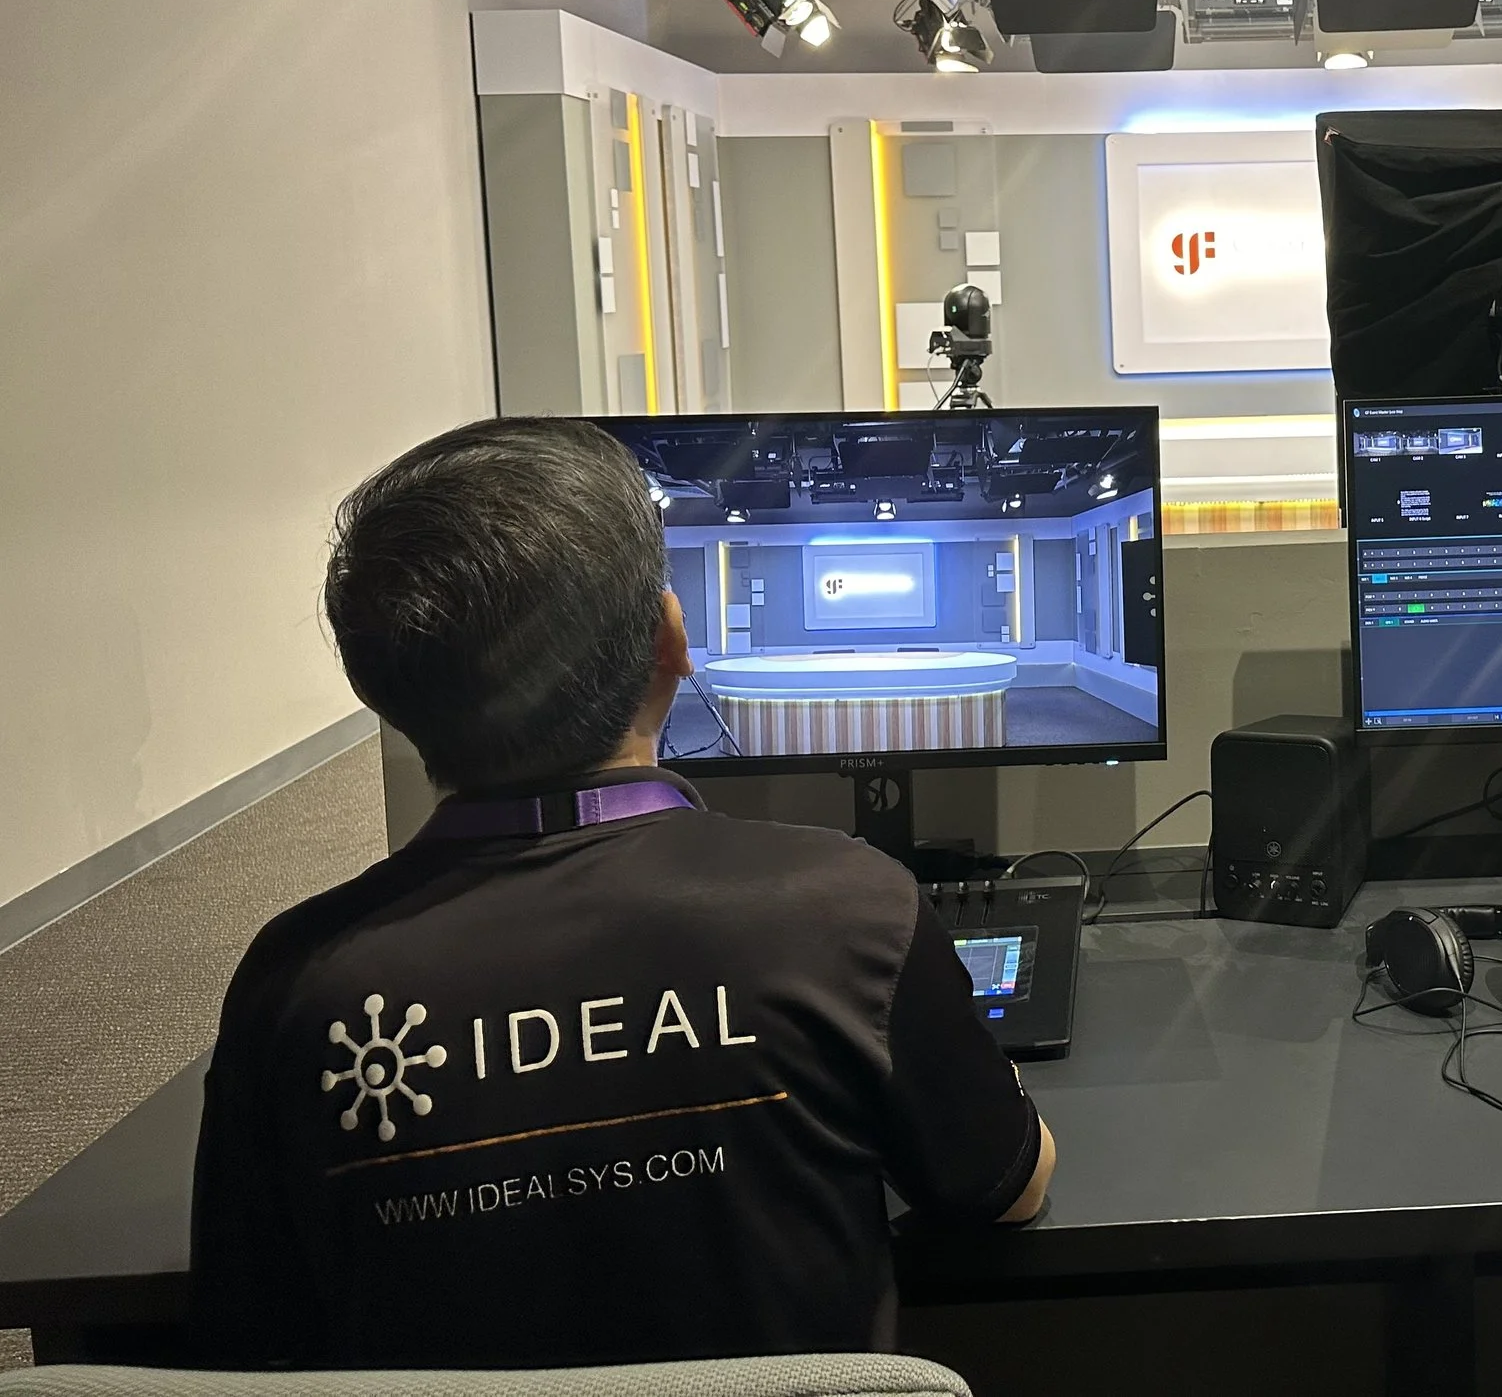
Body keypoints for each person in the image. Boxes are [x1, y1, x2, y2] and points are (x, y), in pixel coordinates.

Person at [192, 417, 1054, 1368]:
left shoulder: (293, 984)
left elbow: (253, 1336)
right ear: (670, 637)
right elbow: (1008, 1188)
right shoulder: (847, 910)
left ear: (378, 685)